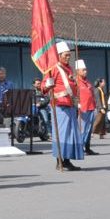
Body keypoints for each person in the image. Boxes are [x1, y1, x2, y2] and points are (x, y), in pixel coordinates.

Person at [41, 41, 83, 171]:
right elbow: (43, 86)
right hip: (59, 105)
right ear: (58, 55)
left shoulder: (69, 68)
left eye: (69, 55)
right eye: (66, 55)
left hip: (70, 105)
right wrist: (48, 85)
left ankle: (67, 160)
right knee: (62, 134)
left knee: (71, 134)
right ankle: (59, 161)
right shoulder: (53, 68)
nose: (68, 57)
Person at [75, 60, 97, 155]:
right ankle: (80, 148)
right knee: (82, 130)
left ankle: (87, 147)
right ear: (77, 71)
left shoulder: (87, 82)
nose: (85, 71)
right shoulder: (76, 82)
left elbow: (92, 94)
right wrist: (77, 104)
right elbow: (73, 95)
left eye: (85, 70)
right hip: (82, 109)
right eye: (83, 70)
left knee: (89, 130)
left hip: (91, 108)